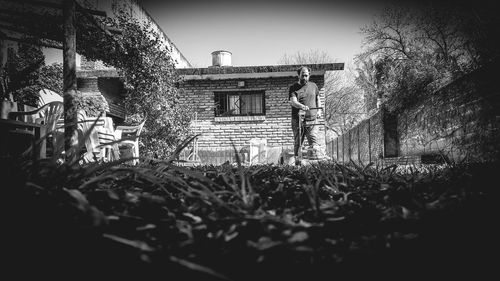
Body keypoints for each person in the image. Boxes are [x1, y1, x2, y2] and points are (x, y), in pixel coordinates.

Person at [288, 66, 323, 165]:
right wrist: (302, 106)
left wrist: (319, 111)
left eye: (307, 75)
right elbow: (293, 102)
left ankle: (315, 164)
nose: (305, 78)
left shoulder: (314, 86)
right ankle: (297, 163)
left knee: (314, 141)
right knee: (298, 142)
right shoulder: (293, 88)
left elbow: (318, 98)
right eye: (303, 75)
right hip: (298, 120)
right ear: (298, 75)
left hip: (312, 120)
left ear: (309, 75)